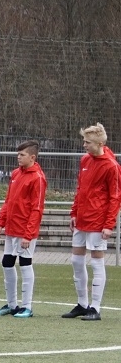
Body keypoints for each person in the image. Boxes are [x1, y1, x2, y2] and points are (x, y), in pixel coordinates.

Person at [62, 123, 121, 321]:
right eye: (84, 141)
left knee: (97, 262)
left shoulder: (111, 166)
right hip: (82, 219)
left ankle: (95, 307)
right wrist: (73, 212)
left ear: (100, 143)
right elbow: (80, 188)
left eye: (87, 142)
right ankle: (82, 303)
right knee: (76, 261)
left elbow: (115, 197)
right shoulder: (85, 160)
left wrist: (108, 224)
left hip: (98, 221)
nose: (84, 145)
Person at [0, 141, 47, 318]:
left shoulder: (37, 178)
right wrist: (1, 221)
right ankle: (12, 304)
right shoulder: (16, 174)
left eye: (22, 154)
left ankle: (27, 306)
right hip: (12, 228)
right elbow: (9, 200)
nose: (18, 157)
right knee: (7, 262)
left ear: (32, 157)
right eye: (18, 154)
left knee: (25, 263)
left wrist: (28, 234)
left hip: (25, 230)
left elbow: (37, 209)